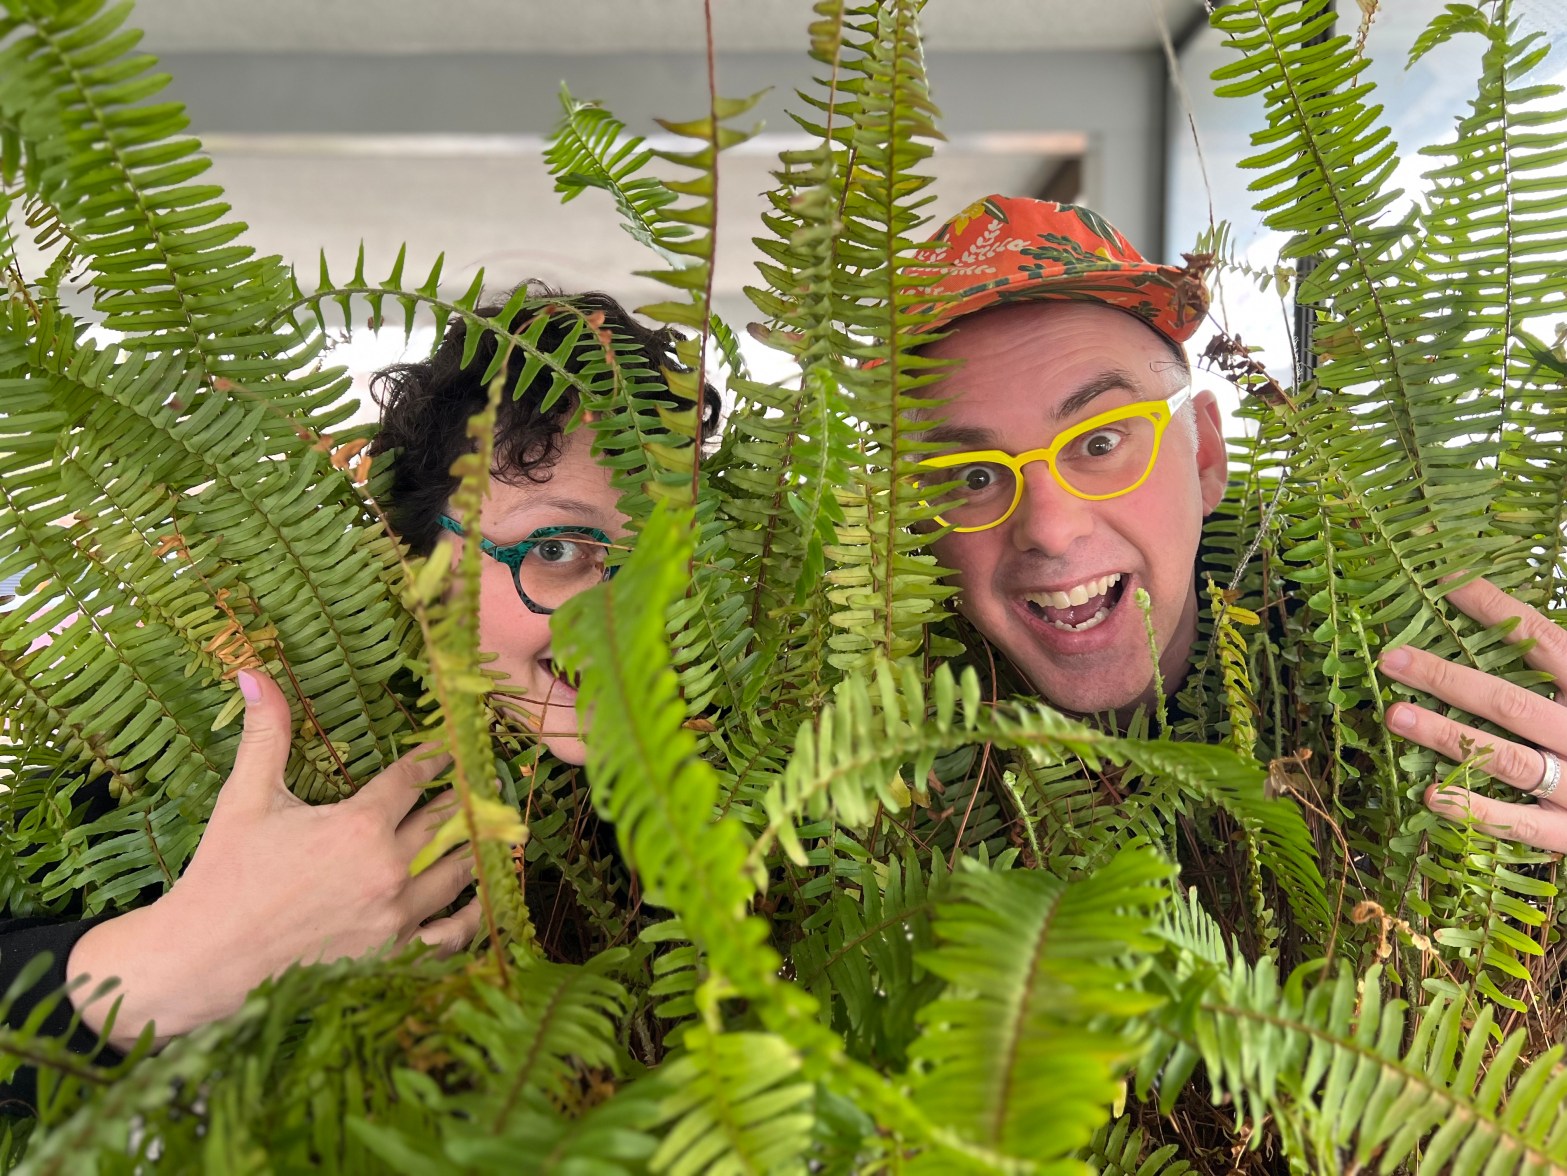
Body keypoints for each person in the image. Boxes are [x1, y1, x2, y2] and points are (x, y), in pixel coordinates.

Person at [0, 288, 717, 1094]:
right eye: (554, 547)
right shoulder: (224, 756)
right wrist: (167, 970)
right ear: (407, 558)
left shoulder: (750, 772)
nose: (626, 617)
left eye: (667, 551)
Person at [907, 194, 1567, 852]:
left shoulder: (1380, 637)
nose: (1047, 527)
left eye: (1100, 443)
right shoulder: (856, 758)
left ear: (1202, 456)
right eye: (974, 477)